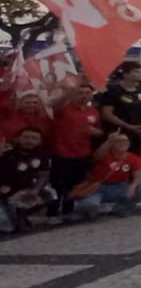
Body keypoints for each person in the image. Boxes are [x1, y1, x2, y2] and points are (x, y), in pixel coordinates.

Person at [47, 79, 101, 220]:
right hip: (62, 153)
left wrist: (97, 132)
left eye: (87, 93)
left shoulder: (94, 112)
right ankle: (52, 211)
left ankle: (68, 210)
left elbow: (100, 131)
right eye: (80, 93)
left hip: (83, 154)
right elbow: (55, 104)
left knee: (76, 185)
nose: (84, 95)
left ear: (91, 95)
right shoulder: (63, 109)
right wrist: (68, 92)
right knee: (57, 184)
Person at [71, 131, 141, 220]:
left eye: (125, 141)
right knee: (90, 205)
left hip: (120, 186)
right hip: (100, 188)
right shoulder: (104, 155)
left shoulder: (133, 158)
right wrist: (109, 141)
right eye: (119, 141)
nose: (123, 143)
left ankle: (122, 209)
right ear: (113, 144)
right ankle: (87, 213)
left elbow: (139, 175)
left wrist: (133, 185)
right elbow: (97, 155)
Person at [0, 127, 53, 233]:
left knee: (50, 194)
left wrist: (36, 190)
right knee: (8, 228)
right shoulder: (7, 153)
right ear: (18, 139)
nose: (29, 141)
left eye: (34, 138)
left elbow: (44, 175)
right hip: (5, 193)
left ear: (40, 141)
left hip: (29, 190)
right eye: (26, 137)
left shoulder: (42, 155)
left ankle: (22, 215)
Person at [99, 62, 141, 155]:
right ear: (125, 74)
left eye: (140, 71)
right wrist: (128, 126)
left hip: (137, 133)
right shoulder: (113, 90)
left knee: (134, 159)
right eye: (136, 71)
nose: (140, 74)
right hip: (118, 132)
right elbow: (106, 114)